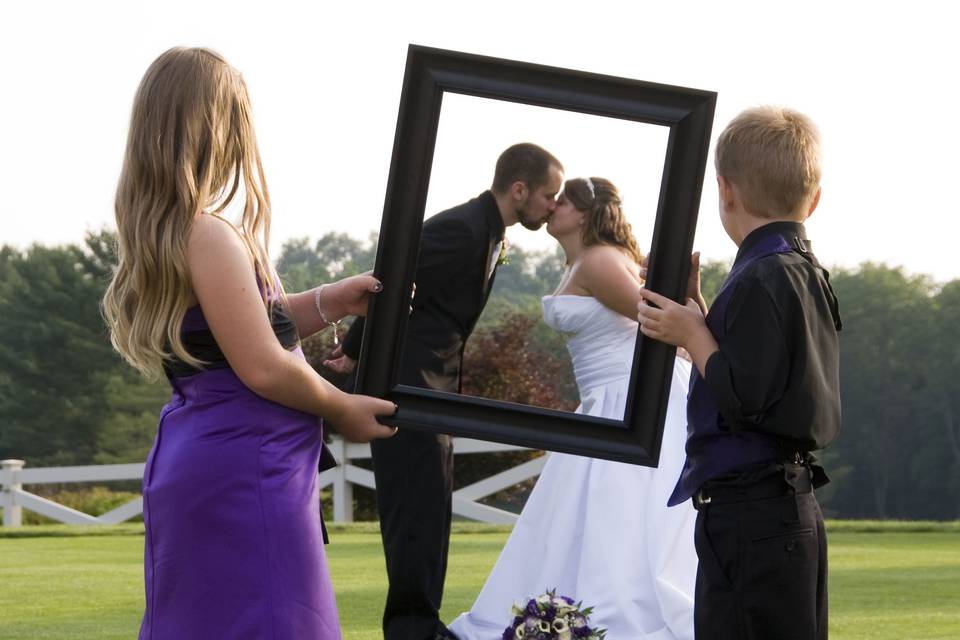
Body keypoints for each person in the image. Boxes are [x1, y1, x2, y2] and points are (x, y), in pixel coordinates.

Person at [101, 47, 398, 640]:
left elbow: (233, 332)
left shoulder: (170, 231)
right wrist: (343, 409)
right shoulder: (208, 233)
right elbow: (261, 364)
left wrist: (331, 300)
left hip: (217, 458)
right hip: (246, 468)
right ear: (216, 127)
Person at [324, 143, 564, 640]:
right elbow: (389, 279)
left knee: (430, 511)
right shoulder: (463, 228)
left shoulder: (490, 233)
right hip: (407, 391)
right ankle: (413, 630)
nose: (552, 205)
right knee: (415, 513)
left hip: (433, 396)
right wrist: (352, 352)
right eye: (548, 194)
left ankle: (420, 626)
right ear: (518, 189)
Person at [448, 177, 697, 640]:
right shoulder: (586, 260)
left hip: (626, 397)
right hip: (602, 399)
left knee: (619, 510)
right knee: (584, 514)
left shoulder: (600, 260)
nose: (552, 207)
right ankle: (572, 611)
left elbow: (654, 319)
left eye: (561, 201)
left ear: (583, 212)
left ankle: (620, 615)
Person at [637, 106, 842, 640]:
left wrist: (693, 335)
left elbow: (744, 396)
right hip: (780, 511)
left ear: (725, 191)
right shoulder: (799, 268)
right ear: (813, 200)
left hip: (756, 513)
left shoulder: (762, 275)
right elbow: (764, 372)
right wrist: (701, 318)